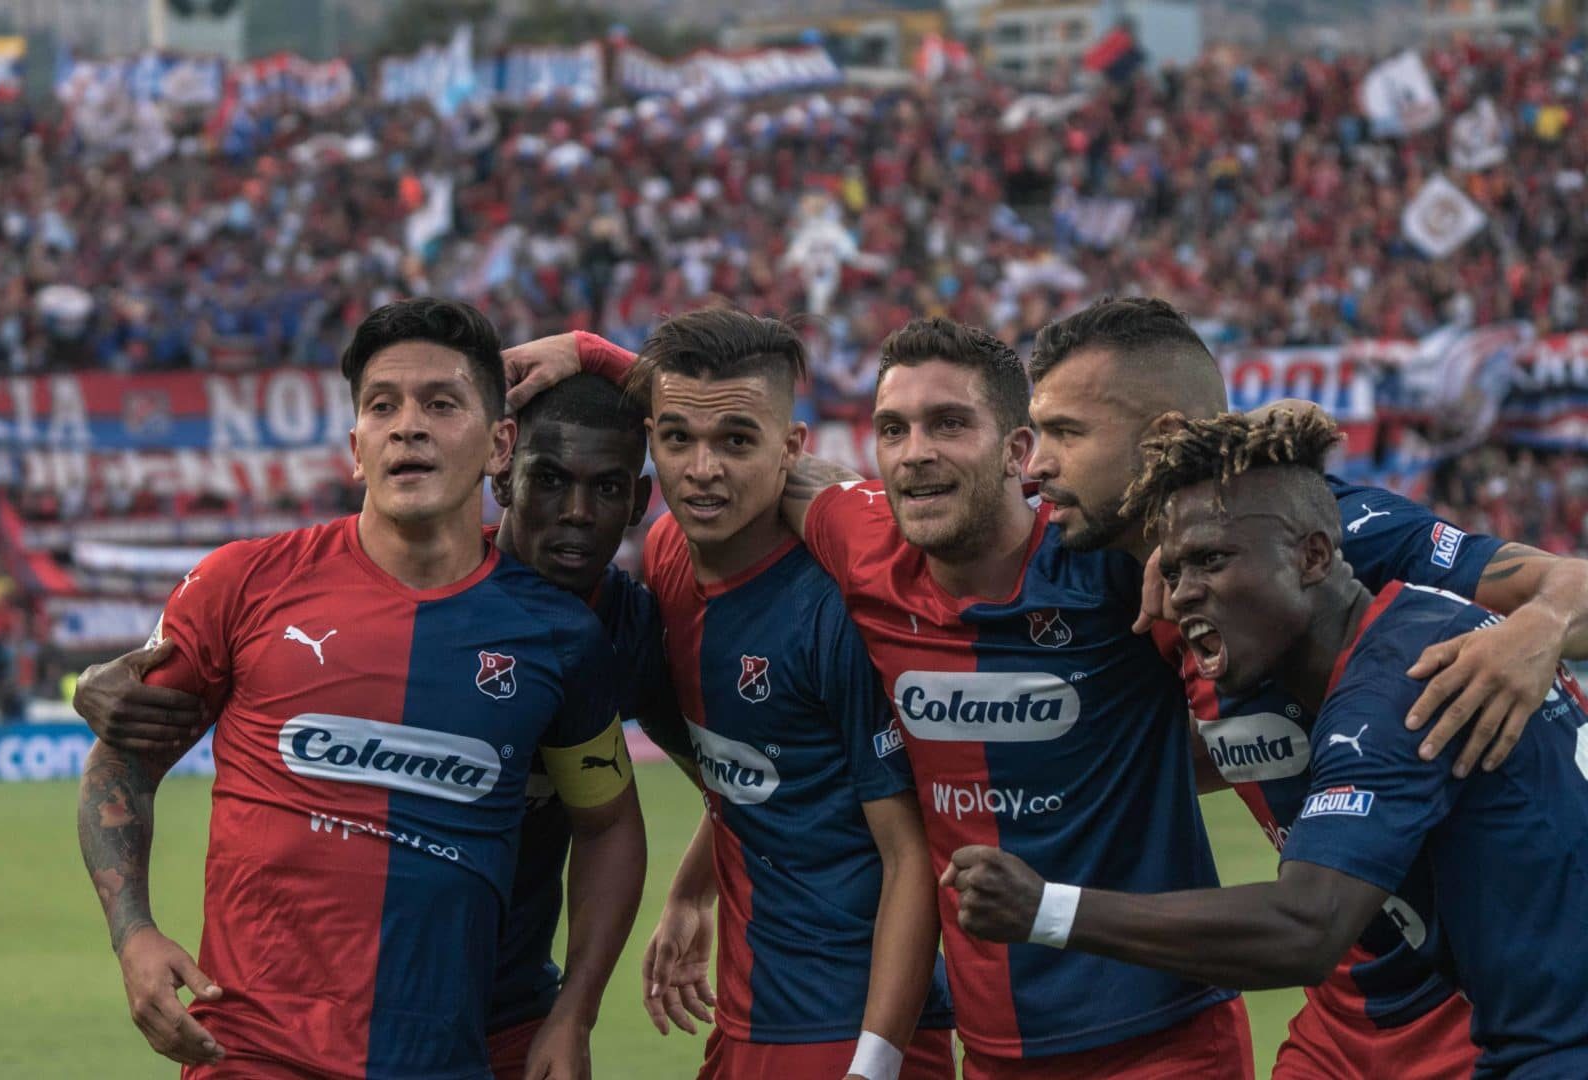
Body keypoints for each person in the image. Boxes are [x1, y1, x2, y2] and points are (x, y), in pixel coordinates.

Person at [510, 320, 1249, 1078]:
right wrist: (595, 354)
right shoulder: (824, 544)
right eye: (894, 428)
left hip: (1136, 1036)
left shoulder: (1109, 568)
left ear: (1016, 451)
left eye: (949, 423)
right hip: (966, 1047)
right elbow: (725, 420)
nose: (917, 451)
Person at [75, 298, 647, 1079]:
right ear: (355, 448)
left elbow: (609, 824)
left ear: (499, 445)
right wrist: (133, 933)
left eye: (441, 404)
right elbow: (121, 760)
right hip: (249, 1053)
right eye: (382, 406)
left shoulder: (561, 635)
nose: (408, 426)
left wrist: (576, 1010)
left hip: (442, 1056)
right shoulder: (240, 583)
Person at [1017, 295, 1588, 1076]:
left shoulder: (1326, 535)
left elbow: (1567, 584)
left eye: (1066, 433)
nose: (1036, 466)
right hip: (1346, 1000)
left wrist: (1534, 631)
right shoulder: (1104, 569)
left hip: (1471, 1002)